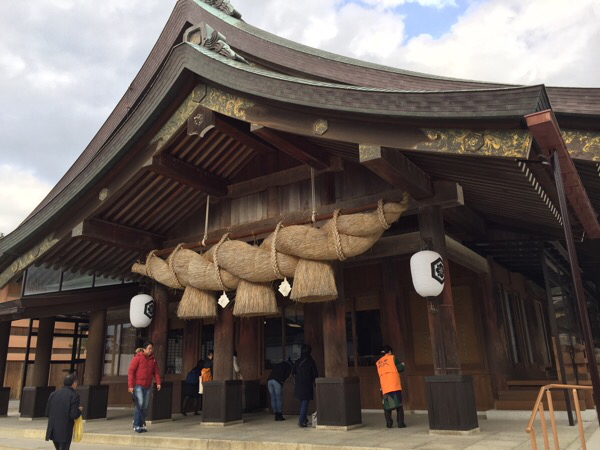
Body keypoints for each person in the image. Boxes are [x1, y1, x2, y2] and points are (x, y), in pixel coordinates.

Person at [128, 341, 161, 433]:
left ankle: (141, 424)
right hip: (138, 385)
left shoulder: (153, 360)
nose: (151, 350)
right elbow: (131, 371)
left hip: (147, 385)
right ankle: (136, 424)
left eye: (152, 348)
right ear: (144, 349)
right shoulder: (137, 358)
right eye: (149, 348)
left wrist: (158, 382)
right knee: (140, 404)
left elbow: (156, 372)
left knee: (145, 406)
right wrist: (130, 386)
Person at [45, 372, 82, 450]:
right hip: (65, 429)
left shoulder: (53, 394)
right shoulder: (74, 395)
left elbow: (47, 413)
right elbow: (74, 415)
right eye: (76, 383)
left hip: (53, 428)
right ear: (74, 383)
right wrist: (80, 410)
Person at [376, 344, 406, 428]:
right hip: (394, 385)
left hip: (384, 387)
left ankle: (389, 423)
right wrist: (403, 364)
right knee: (399, 406)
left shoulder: (378, 362)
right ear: (389, 352)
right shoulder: (392, 358)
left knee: (387, 407)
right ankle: (400, 423)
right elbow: (400, 368)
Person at [292, 344, 318, 428]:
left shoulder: (297, 361)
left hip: (299, 385)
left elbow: (293, 372)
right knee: (305, 403)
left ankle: (305, 419)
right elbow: (315, 374)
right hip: (307, 385)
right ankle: (301, 421)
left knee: (302, 402)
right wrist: (315, 383)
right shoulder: (311, 361)